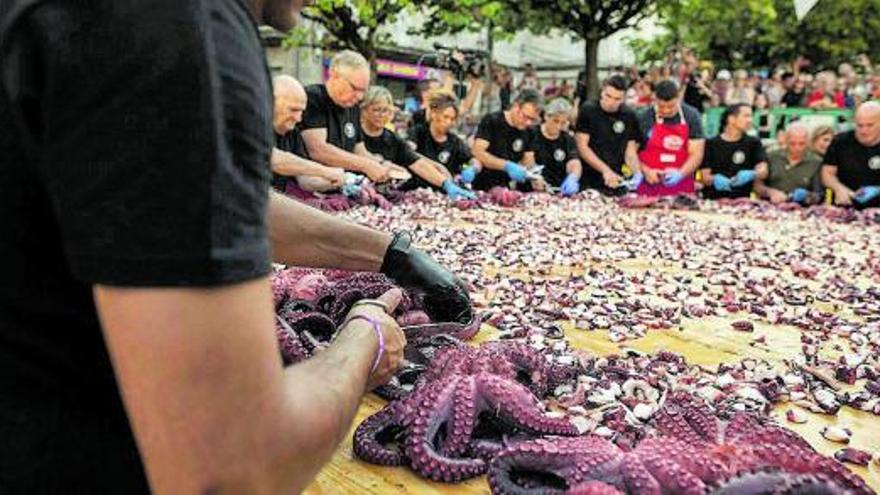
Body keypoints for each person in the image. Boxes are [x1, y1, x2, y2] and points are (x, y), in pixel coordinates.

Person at [0, 1, 472, 493]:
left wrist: (391, 253)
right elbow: (237, 468)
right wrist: (362, 343)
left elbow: (188, 194)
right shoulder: (183, 27)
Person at [360, 87, 473, 200]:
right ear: (364, 110)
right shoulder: (356, 134)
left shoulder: (393, 139)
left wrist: (445, 183)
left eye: (385, 110)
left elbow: (416, 162)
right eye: (376, 110)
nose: (381, 115)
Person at [299, 50, 391, 183]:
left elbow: (359, 150)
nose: (359, 97)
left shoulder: (352, 106)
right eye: (354, 88)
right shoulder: (313, 97)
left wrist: (382, 164)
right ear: (334, 76)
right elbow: (318, 150)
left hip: (342, 184)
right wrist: (365, 165)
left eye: (363, 90)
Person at [270, 75, 345, 193]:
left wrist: (335, 182)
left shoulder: (293, 134)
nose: (299, 118)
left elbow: (305, 179)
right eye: (293, 110)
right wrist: (325, 171)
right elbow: (274, 159)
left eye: (301, 111)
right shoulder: (251, 125)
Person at [635, 79, 706, 197]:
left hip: (681, 183)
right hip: (649, 183)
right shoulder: (644, 118)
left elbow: (697, 153)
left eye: (671, 106)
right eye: (661, 106)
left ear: (678, 98)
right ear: (655, 99)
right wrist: (645, 171)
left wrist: (680, 174)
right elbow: (631, 152)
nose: (666, 110)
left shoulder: (692, 116)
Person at [575, 75, 643, 194]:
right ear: (602, 92)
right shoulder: (588, 110)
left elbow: (630, 151)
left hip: (617, 179)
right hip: (589, 180)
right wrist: (605, 170)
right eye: (608, 96)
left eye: (617, 99)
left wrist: (637, 173)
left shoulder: (629, 115)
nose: (611, 102)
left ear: (623, 99)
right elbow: (582, 147)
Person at [469, 89, 544, 191]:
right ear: (516, 106)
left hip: (505, 187)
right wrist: (506, 166)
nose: (528, 122)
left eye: (532, 119)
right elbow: (478, 152)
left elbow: (528, 160)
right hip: (480, 185)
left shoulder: (530, 131)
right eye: (525, 117)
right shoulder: (492, 121)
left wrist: (535, 176)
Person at [699, 104, 769, 199]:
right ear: (731, 119)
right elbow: (704, 176)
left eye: (751, 116)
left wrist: (752, 174)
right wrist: (714, 179)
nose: (750, 120)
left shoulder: (753, 143)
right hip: (713, 198)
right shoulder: (711, 143)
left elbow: (763, 171)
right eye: (746, 116)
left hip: (742, 200)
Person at [821, 102, 880, 208]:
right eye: (859, 125)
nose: (864, 130)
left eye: (870, 125)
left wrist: (878, 189)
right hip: (846, 207)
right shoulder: (840, 141)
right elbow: (827, 173)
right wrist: (838, 188)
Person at [408, 91, 476, 180]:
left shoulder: (455, 142)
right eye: (445, 117)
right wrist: (436, 166)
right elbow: (407, 152)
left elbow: (473, 160)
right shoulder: (417, 132)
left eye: (452, 119)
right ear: (433, 113)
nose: (449, 122)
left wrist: (473, 168)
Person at [754, 124, 823, 204]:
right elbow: (757, 184)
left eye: (802, 144)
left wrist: (807, 196)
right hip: (769, 207)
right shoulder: (772, 157)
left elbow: (819, 196)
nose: (797, 148)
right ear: (786, 141)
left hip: (801, 209)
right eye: (792, 144)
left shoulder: (816, 162)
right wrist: (770, 192)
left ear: (808, 143)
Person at [532, 98, 582, 195]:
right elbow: (525, 160)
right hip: (532, 191)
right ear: (546, 116)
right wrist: (534, 177)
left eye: (563, 123)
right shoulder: (532, 134)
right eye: (555, 121)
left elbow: (574, 162)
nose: (558, 126)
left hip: (558, 191)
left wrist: (573, 177)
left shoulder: (568, 139)